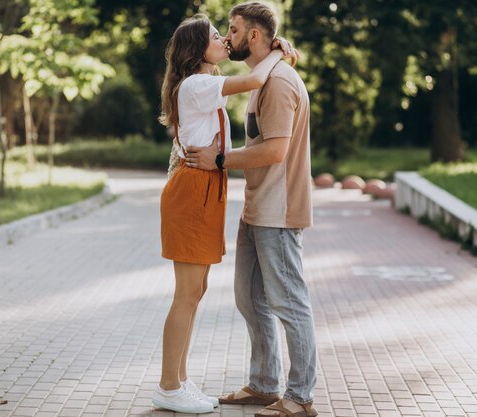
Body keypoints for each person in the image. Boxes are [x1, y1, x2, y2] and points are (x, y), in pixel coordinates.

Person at [155, 12, 294, 415]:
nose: (224, 40)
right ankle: (167, 386)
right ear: (199, 49)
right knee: (186, 294)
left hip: (204, 188)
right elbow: (253, 80)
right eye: (217, 35)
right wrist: (279, 51)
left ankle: (178, 380)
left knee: (194, 292)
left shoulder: (202, 84)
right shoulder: (198, 83)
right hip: (192, 191)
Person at [184, 2, 318, 417]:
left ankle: (299, 396)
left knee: (289, 303)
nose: (228, 36)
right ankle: (264, 384)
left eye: (234, 29)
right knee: (249, 298)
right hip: (257, 210)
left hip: (278, 212)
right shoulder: (262, 78)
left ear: (254, 35)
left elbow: (275, 151)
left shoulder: (278, 83)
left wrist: (219, 159)